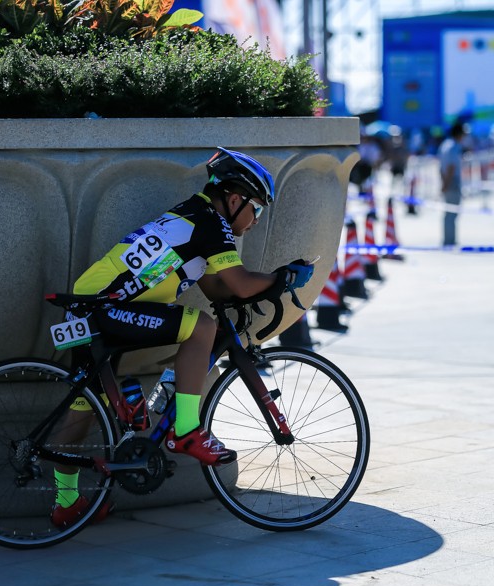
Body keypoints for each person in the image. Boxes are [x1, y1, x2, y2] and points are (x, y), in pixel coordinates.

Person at [50, 148, 314, 527]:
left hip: (91, 304)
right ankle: (187, 429)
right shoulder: (210, 223)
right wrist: (283, 278)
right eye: (256, 209)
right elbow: (238, 284)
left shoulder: (197, 218)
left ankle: (67, 503)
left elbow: (219, 290)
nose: (255, 221)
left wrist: (260, 291)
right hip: (101, 306)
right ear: (235, 199)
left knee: (84, 409)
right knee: (201, 327)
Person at [439, 122, 465, 246]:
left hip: (446, 180)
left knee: (447, 213)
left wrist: (443, 182)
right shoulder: (454, 147)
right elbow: (451, 167)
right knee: (452, 213)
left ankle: (447, 239)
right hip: (452, 182)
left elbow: (441, 167)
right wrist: (447, 183)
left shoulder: (444, 145)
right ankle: (450, 240)